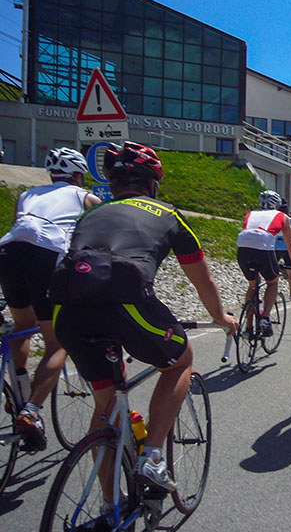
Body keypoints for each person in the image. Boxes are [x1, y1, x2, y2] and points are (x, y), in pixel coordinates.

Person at [51, 141, 238, 492]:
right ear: (153, 183)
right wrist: (221, 317)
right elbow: (203, 279)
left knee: (106, 405)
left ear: (114, 185)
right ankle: (152, 457)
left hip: (67, 306)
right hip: (124, 295)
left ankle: (109, 506)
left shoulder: (91, 214)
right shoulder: (167, 213)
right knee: (180, 360)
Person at [0, 147, 101, 451]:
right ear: (78, 175)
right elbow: (96, 234)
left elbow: (23, 227)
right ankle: (31, 411)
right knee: (57, 342)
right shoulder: (83, 196)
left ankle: (19, 388)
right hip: (45, 255)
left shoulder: (28, 194)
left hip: (7, 251)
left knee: (23, 324)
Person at [237, 190, 291, 336]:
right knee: (272, 282)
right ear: (277, 205)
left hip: (242, 248)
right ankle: (265, 318)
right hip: (264, 247)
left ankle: (248, 328)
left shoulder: (250, 214)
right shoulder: (283, 217)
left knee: (253, 285)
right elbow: (290, 246)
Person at [274, 200, 291, 300]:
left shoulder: (274, 219)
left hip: (275, 247)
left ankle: (273, 294)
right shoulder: (290, 221)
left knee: (274, 272)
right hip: (286, 247)